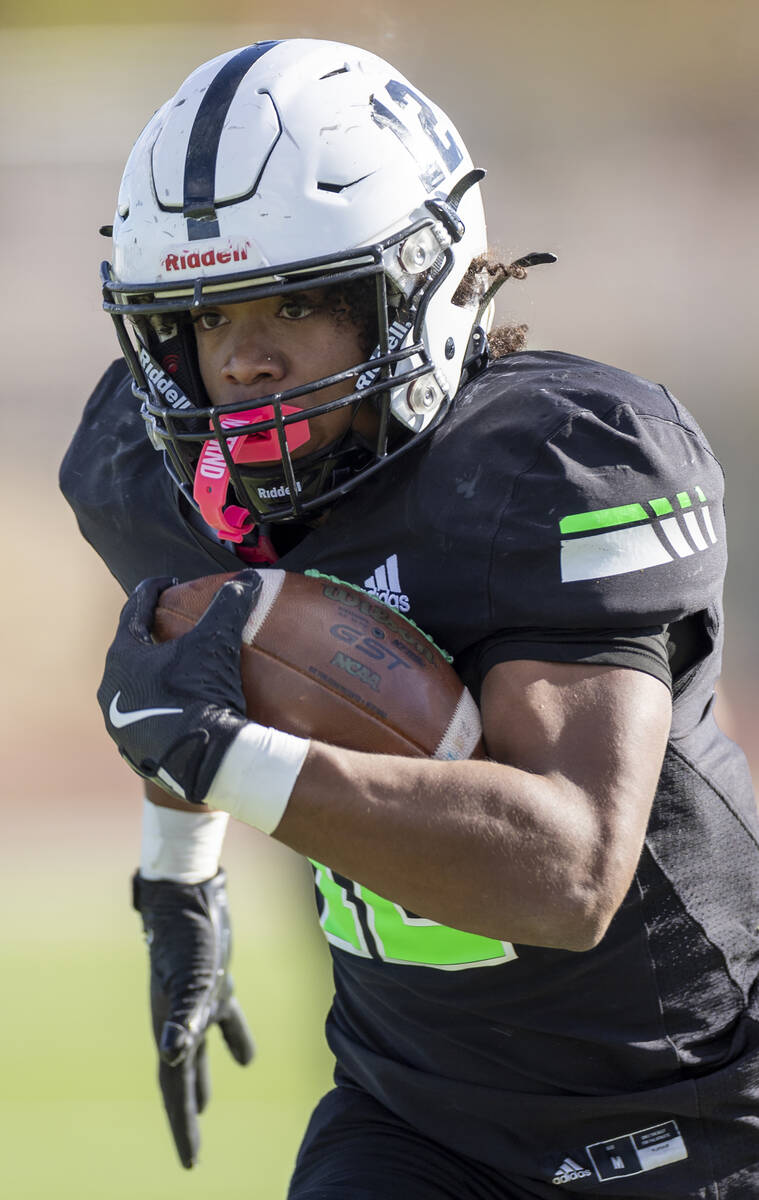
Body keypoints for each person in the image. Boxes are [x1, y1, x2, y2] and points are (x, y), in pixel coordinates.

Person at [60, 38, 759, 1199]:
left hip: (695, 1106)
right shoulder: (154, 472)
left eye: (300, 302)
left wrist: (227, 764)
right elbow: (205, 680)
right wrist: (179, 878)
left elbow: (568, 874)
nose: (242, 363)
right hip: (414, 1112)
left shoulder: (554, 463)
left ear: (423, 282)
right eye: (207, 317)